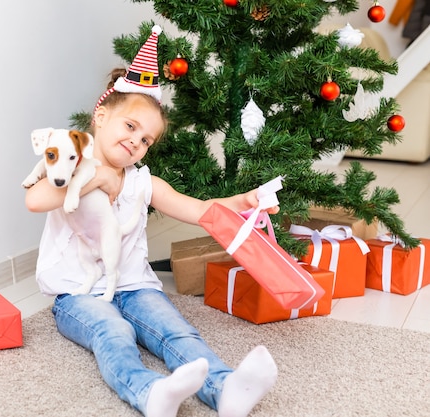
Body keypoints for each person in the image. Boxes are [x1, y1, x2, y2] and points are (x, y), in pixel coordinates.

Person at [24, 25, 278, 417]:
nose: (136, 142)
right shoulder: (69, 163)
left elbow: (199, 210)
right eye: (130, 127)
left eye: (146, 140)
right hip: (77, 293)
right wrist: (98, 176)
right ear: (101, 116)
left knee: (176, 333)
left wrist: (244, 201)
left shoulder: (145, 182)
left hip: (135, 285)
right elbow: (35, 199)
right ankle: (148, 392)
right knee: (115, 332)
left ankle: (224, 388)